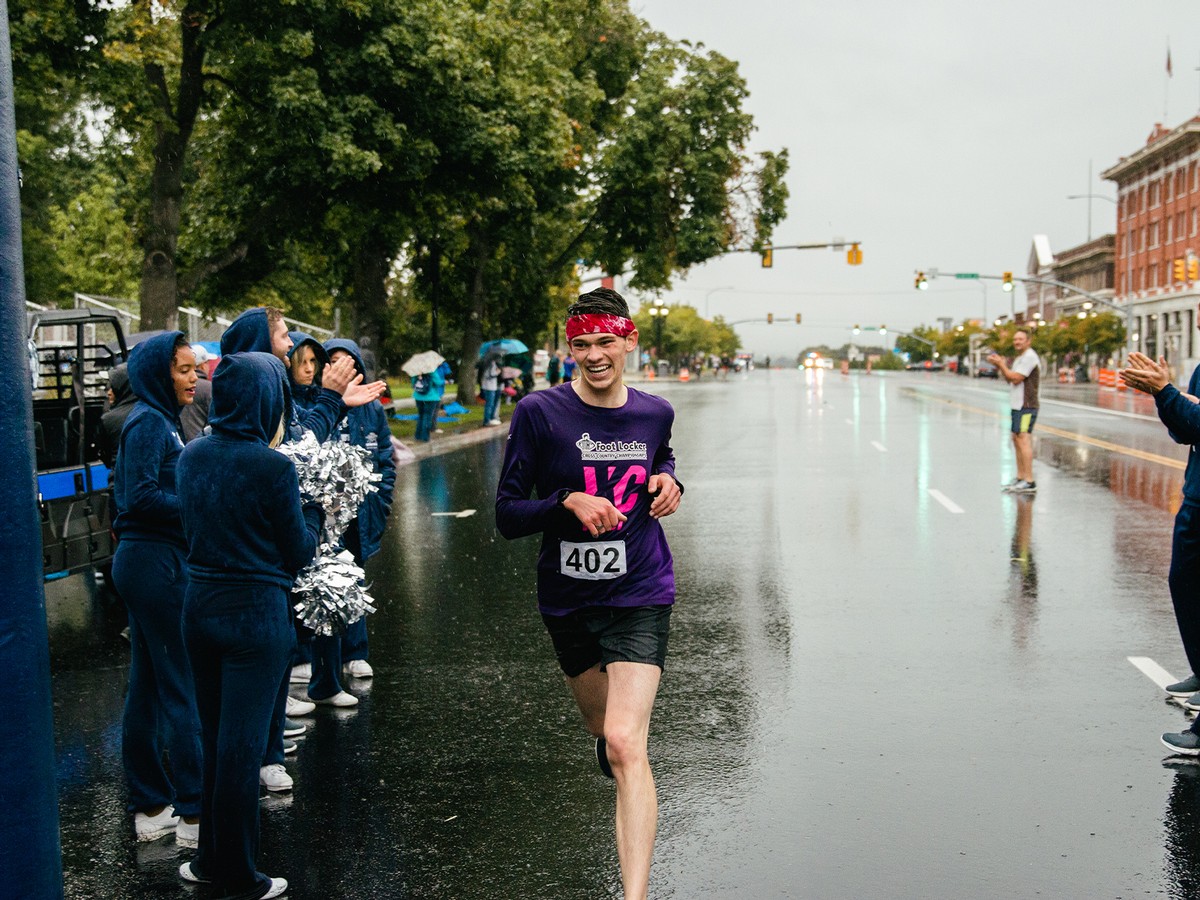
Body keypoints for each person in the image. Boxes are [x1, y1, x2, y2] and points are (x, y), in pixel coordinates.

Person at [495, 287, 684, 900]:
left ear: (629, 341)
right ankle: (619, 756)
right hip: (569, 597)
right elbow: (507, 513)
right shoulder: (539, 412)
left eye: (606, 341)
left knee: (627, 743)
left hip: (641, 588)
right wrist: (565, 502)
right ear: (569, 349)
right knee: (605, 732)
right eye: (581, 345)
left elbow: (662, 458)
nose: (595, 355)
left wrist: (669, 481)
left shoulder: (654, 412)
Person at [176, 351, 323, 899]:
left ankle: (209, 860)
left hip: (199, 607)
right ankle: (239, 874)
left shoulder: (192, 454)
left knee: (216, 740)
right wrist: (315, 514)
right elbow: (299, 551)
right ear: (265, 401)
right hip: (255, 617)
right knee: (242, 750)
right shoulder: (273, 467)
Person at [111, 332, 202, 848]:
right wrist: (198, 506)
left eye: (194, 368)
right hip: (154, 563)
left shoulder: (161, 420)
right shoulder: (148, 422)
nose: (194, 377)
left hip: (151, 561)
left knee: (147, 687)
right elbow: (139, 497)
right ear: (157, 374)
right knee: (180, 684)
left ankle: (151, 806)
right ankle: (194, 813)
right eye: (183, 369)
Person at [1120, 347, 1200, 754]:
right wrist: (1164, 396)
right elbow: (1186, 431)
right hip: (1196, 496)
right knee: (1183, 584)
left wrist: (1165, 391)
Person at [323, 338, 397, 682]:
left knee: (353, 578)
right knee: (323, 581)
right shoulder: (320, 405)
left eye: (347, 361)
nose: (341, 367)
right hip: (325, 513)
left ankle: (355, 652)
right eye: (333, 361)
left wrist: (381, 502)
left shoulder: (372, 409)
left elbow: (385, 458)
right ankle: (321, 661)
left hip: (361, 512)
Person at [988, 328, 1041, 493]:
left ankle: (1029, 480)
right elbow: (1009, 378)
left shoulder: (1030, 357)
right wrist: (1001, 366)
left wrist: (1001, 364)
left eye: (1020, 339)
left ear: (1028, 341)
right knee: (1016, 438)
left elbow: (1016, 378)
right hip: (1017, 405)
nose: (1017, 342)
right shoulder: (1020, 359)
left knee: (1023, 439)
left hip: (1027, 405)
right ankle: (1020, 477)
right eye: (1015, 339)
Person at [99, 363, 136, 469]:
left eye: (113, 387)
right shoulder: (153, 410)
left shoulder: (108, 419)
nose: (109, 392)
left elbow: (106, 456)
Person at [180, 345, 212, 443]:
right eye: (207, 362)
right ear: (203, 365)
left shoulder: (178, 385)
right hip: (201, 443)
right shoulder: (209, 387)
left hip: (180, 441)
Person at [412, 359, 445, 442]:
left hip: (418, 397)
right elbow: (438, 382)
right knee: (427, 417)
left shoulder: (416, 372)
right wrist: (444, 381)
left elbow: (413, 384)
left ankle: (417, 436)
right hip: (431, 397)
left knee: (421, 416)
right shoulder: (432, 371)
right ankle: (425, 437)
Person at [479, 355, 502, 426]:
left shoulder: (488, 364)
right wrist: (498, 372)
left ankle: (491, 419)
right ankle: (487, 420)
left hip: (490, 386)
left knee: (491, 404)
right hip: (490, 387)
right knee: (489, 404)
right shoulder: (491, 364)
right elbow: (490, 374)